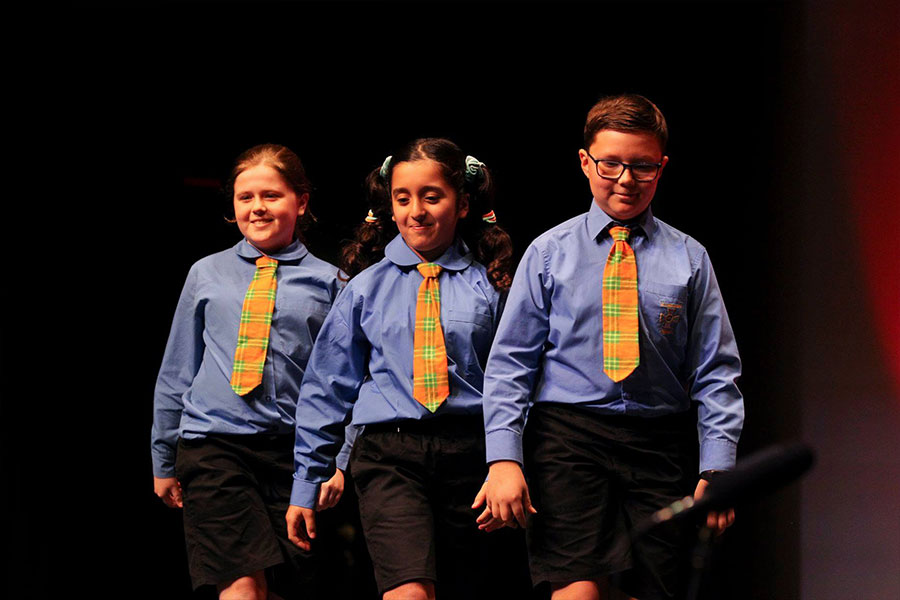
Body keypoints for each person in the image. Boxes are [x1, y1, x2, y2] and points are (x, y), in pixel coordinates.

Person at [477, 94, 744, 600]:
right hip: (568, 439)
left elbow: (716, 371)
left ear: (661, 167)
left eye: (641, 166)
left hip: (658, 441)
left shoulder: (689, 258)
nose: (625, 179)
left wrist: (717, 469)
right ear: (585, 162)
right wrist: (504, 459)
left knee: (656, 589)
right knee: (578, 590)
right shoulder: (550, 252)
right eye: (611, 164)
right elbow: (511, 363)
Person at [286, 138, 525, 600]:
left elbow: (514, 380)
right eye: (403, 198)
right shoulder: (364, 289)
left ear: (462, 204)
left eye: (432, 196)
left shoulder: (492, 286)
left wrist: (508, 461)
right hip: (389, 455)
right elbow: (326, 390)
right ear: (390, 207)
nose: (416, 210)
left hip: (472, 457)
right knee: (408, 591)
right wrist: (306, 482)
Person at [151, 143, 344, 600]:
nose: (257, 207)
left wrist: (337, 459)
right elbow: (178, 368)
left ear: (301, 201)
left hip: (294, 454)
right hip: (215, 445)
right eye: (245, 197)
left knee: (284, 587)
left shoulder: (332, 283)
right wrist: (163, 456)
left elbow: (346, 382)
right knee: (241, 587)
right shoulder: (207, 273)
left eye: (271, 195)